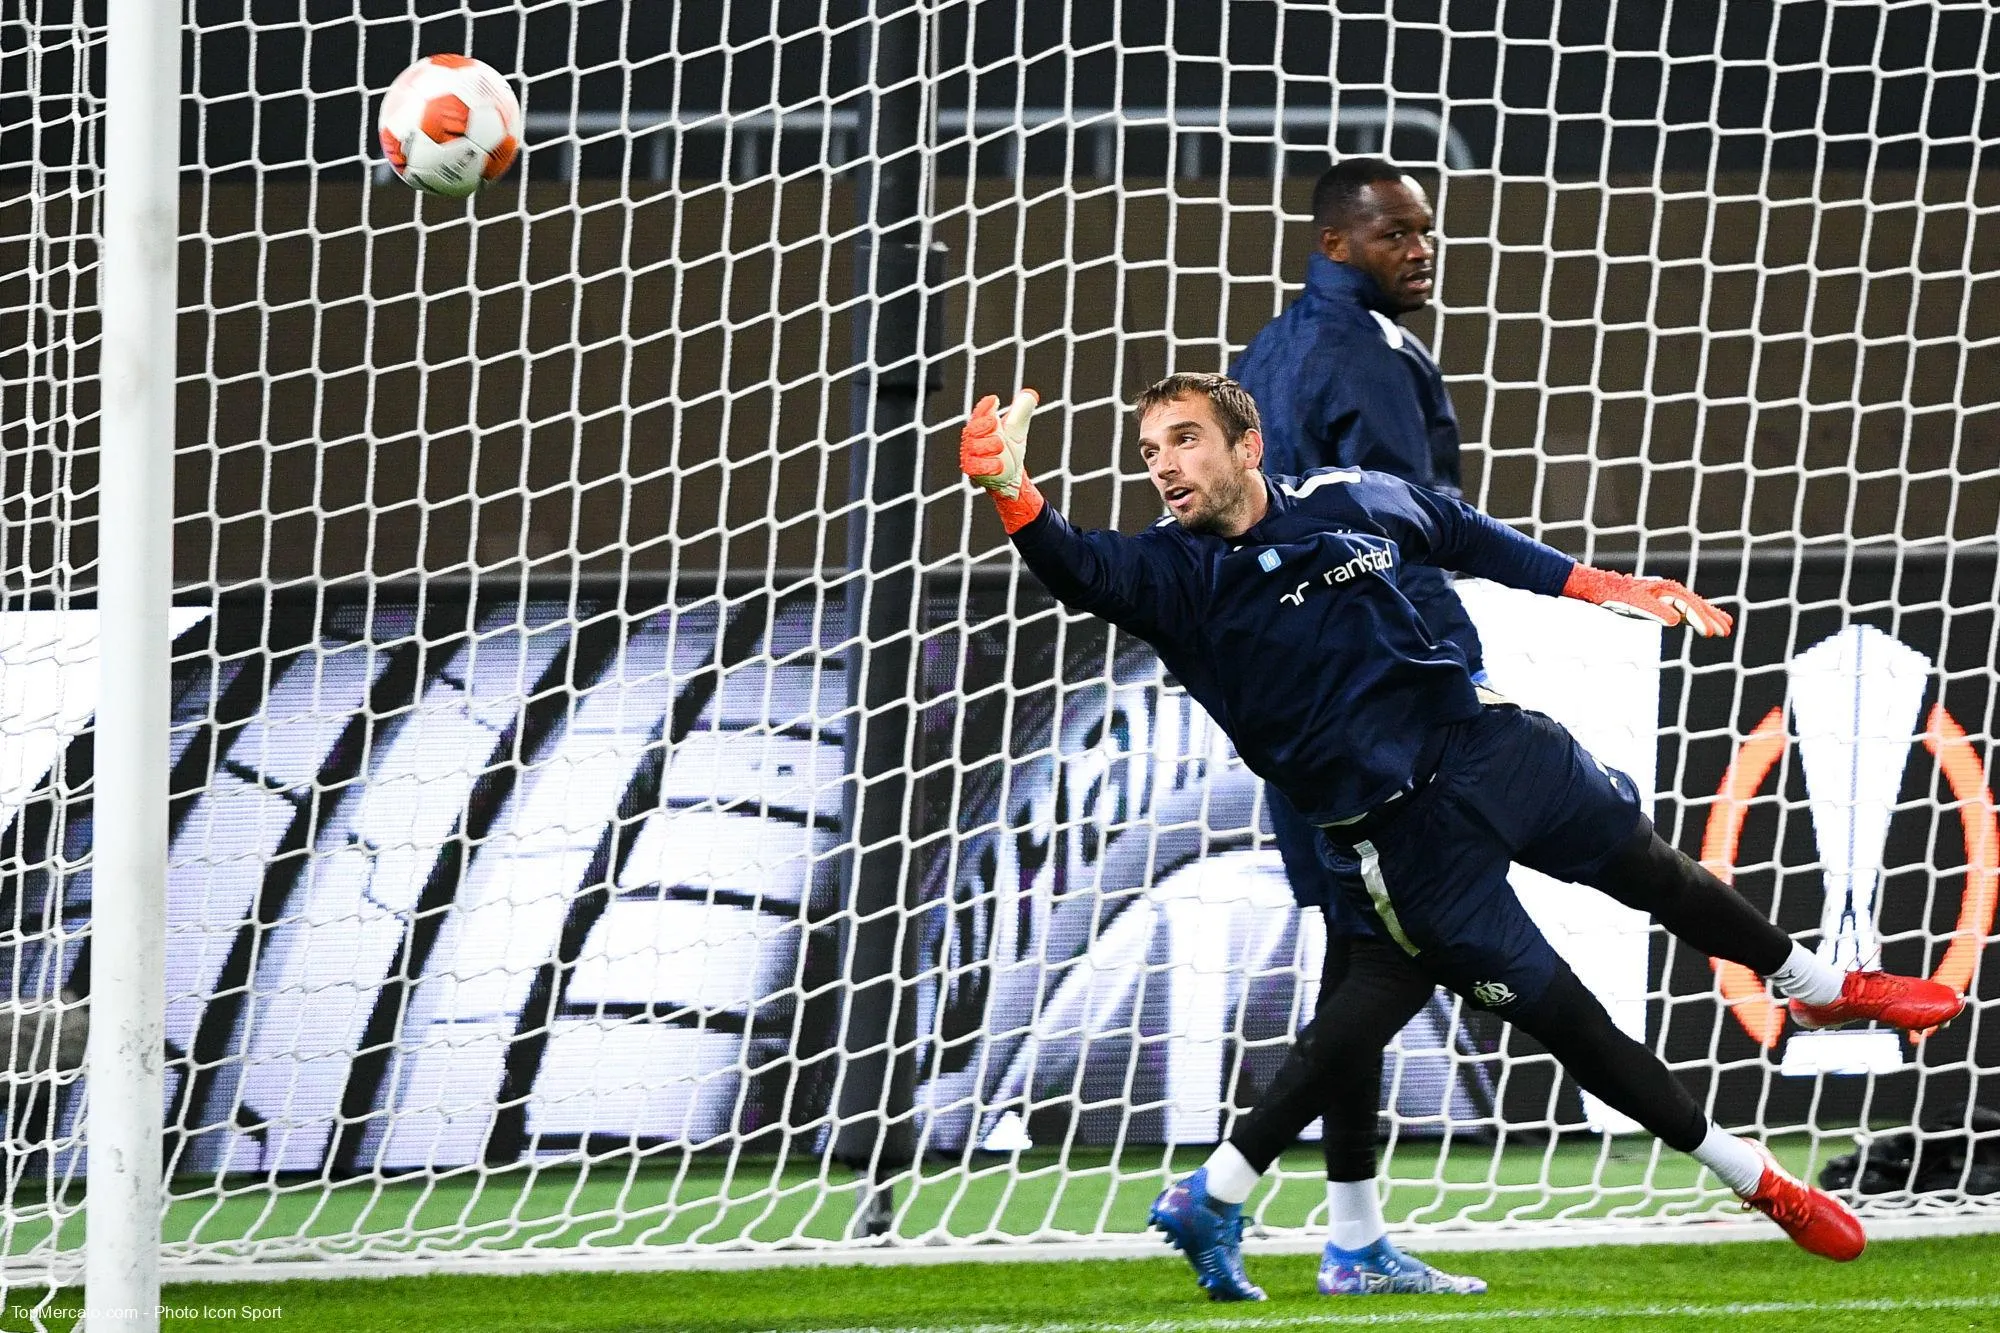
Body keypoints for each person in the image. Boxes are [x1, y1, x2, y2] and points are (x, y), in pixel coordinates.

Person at [957, 371, 1963, 1302]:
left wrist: (1597, 584)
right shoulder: (1169, 574)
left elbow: (1456, 528)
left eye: (1183, 440)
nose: (1164, 464)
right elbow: (1076, 566)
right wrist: (1011, 490)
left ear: (1248, 444)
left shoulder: (1344, 499)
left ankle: (1817, 985)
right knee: (1562, 1019)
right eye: (1147, 452)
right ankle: (1760, 1183)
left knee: (1649, 869)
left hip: (1488, 746)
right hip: (1403, 843)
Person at [1212, 156, 1495, 1298]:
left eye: (1423, 233)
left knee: (1367, 948)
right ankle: (1231, 1190)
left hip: (1286, 693)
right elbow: (1396, 530)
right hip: (1377, 692)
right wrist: (1447, 681)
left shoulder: (1262, 355)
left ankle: (1348, 1232)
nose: (1418, 252)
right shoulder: (1367, 354)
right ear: (1335, 242)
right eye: (1394, 235)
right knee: (1407, 946)